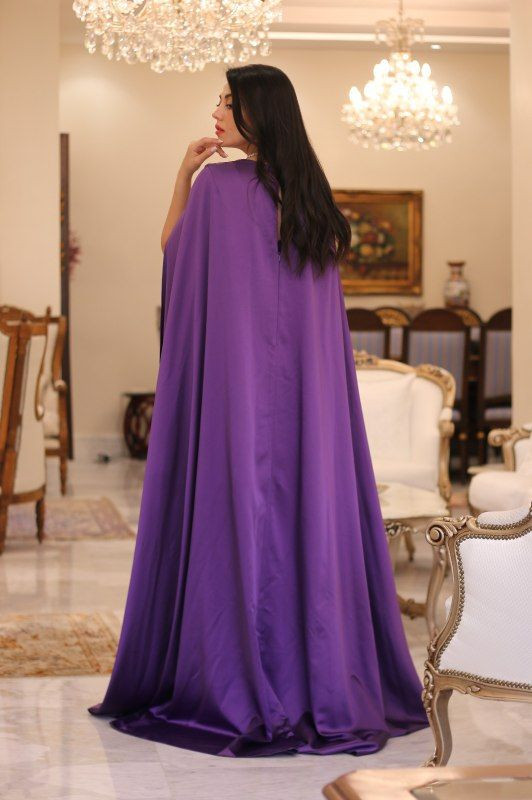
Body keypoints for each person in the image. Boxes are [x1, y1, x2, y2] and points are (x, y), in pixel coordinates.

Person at [89, 63, 428, 757]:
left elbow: (174, 255)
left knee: (233, 515)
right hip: (304, 404)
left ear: (257, 113)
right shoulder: (310, 198)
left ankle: (233, 673)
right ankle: (315, 675)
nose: (216, 111)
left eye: (227, 101)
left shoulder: (217, 189)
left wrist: (182, 177)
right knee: (301, 517)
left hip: (234, 395)